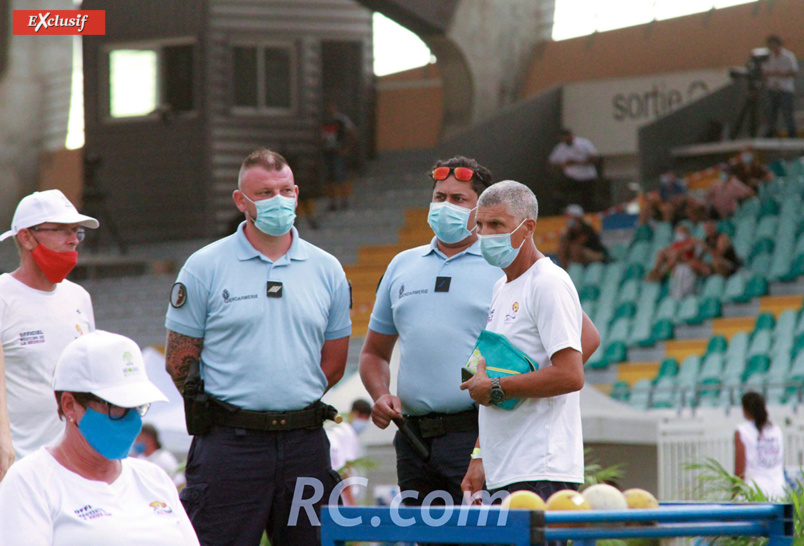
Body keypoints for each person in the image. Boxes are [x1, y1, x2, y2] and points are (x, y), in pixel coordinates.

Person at [361, 158, 600, 513]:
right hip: (414, 435)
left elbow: (583, 344)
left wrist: (511, 393)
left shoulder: (517, 269)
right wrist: (381, 394)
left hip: (481, 432)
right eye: (439, 196)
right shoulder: (405, 265)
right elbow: (374, 352)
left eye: (458, 199)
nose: (445, 207)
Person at [164, 148, 352, 545]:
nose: (278, 200)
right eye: (264, 193)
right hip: (230, 448)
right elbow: (180, 359)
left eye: (285, 190)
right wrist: (229, 411)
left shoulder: (327, 269)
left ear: (297, 193)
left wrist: (288, 398)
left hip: (305, 444)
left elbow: (333, 363)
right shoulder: (204, 266)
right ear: (241, 200)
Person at [459, 180, 595, 509]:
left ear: (527, 228)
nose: (485, 234)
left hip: (540, 469)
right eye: (480, 224)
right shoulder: (502, 287)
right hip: (505, 466)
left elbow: (570, 376)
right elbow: (589, 336)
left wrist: (495, 387)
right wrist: (480, 453)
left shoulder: (548, 282)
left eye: (496, 224)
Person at [0, 330, 199, 545]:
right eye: (118, 407)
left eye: (138, 406)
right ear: (70, 405)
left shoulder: (154, 479)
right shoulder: (31, 483)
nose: (132, 420)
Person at [0, 189, 99, 480]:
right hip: (15, 467)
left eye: (77, 231)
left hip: (71, 467)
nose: (72, 240)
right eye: (61, 230)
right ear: (26, 237)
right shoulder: (3, 295)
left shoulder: (79, 297)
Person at [735, 391, 786, 499]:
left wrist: (734, 495)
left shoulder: (742, 431)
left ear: (744, 410)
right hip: (778, 490)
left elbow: (739, 471)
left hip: (754, 492)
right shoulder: (776, 430)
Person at [326, 398, 371, 506]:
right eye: (361, 417)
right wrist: (351, 503)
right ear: (353, 414)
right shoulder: (347, 433)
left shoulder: (338, 431)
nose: (363, 421)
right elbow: (345, 471)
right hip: (342, 498)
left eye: (366, 418)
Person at [647, 224, 708, 299]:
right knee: (665, 255)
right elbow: (665, 253)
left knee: (678, 259)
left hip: (690, 266)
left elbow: (688, 250)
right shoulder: (675, 244)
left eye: (681, 232)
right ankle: (656, 271)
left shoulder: (692, 241)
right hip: (675, 267)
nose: (679, 234)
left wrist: (676, 253)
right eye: (678, 232)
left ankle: (661, 274)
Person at [548, 128, 599, 212]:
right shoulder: (560, 148)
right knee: (569, 199)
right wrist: (563, 165)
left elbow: (594, 158)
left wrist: (578, 162)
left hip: (587, 177)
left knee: (588, 200)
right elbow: (552, 162)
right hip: (571, 177)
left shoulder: (584, 143)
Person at [321, 101, 357, 211]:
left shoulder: (341, 120)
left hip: (338, 151)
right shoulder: (323, 120)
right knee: (329, 178)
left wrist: (347, 148)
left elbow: (352, 132)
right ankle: (333, 202)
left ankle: (344, 200)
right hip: (327, 152)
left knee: (340, 175)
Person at [762, 35, 798, 139]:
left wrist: (781, 73)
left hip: (785, 89)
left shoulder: (788, 56)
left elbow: (794, 71)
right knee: (771, 115)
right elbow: (764, 71)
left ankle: (792, 136)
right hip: (772, 89)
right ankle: (771, 135)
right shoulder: (769, 57)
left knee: (788, 115)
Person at [132, 423, 185, 487]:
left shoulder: (164, 458)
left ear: (150, 439)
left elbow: (178, 482)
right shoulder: (140, 459)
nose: (136, 442)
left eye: (139, 439)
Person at [556, 204, 608, 268]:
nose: (567, 218)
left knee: (575, 249)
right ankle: (566, 270)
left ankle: (577, 270)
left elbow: (579, 242)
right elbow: (565, 244)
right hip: (583, 253)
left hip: (596, 253)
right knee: (561, 250)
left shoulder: (586, 228)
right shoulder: (570, 230)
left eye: (569, 215)